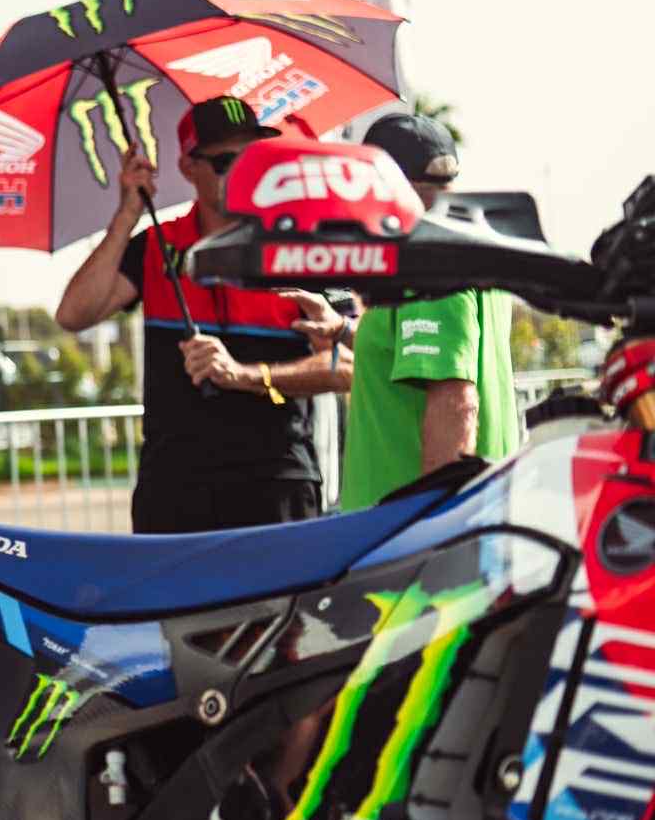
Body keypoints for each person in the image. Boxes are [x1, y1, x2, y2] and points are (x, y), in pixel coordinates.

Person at [54, 95, 354, 533]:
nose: (244, 170)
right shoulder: (157, 245)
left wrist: (248, 376)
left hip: (276, 481)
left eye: (254, 157)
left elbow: (348, 367)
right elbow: (73, 314)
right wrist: (126, 215)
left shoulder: (301, 248)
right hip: (174, 488)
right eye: (226, 161)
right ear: (188, 167)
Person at [285, 113, 515, 510]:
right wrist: (342, 330)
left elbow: (455, 400)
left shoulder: (428, 262)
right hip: (469, 517)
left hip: (409, 530)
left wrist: (431, 526)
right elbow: (427, 356)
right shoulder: (473, 252)